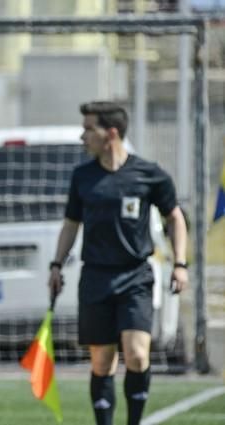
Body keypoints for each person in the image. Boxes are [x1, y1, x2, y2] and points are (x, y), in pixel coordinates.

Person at [48, 101, 189, 425]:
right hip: (95, 277)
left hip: (136, 275)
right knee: (102, 362)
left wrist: (180, 263)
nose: (83, 136)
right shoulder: (82, 177)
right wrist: (56, 265)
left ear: (110, 133)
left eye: (88, 129)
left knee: (138, 354)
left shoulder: (148, 174)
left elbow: (175, 217)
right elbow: (71, 224)